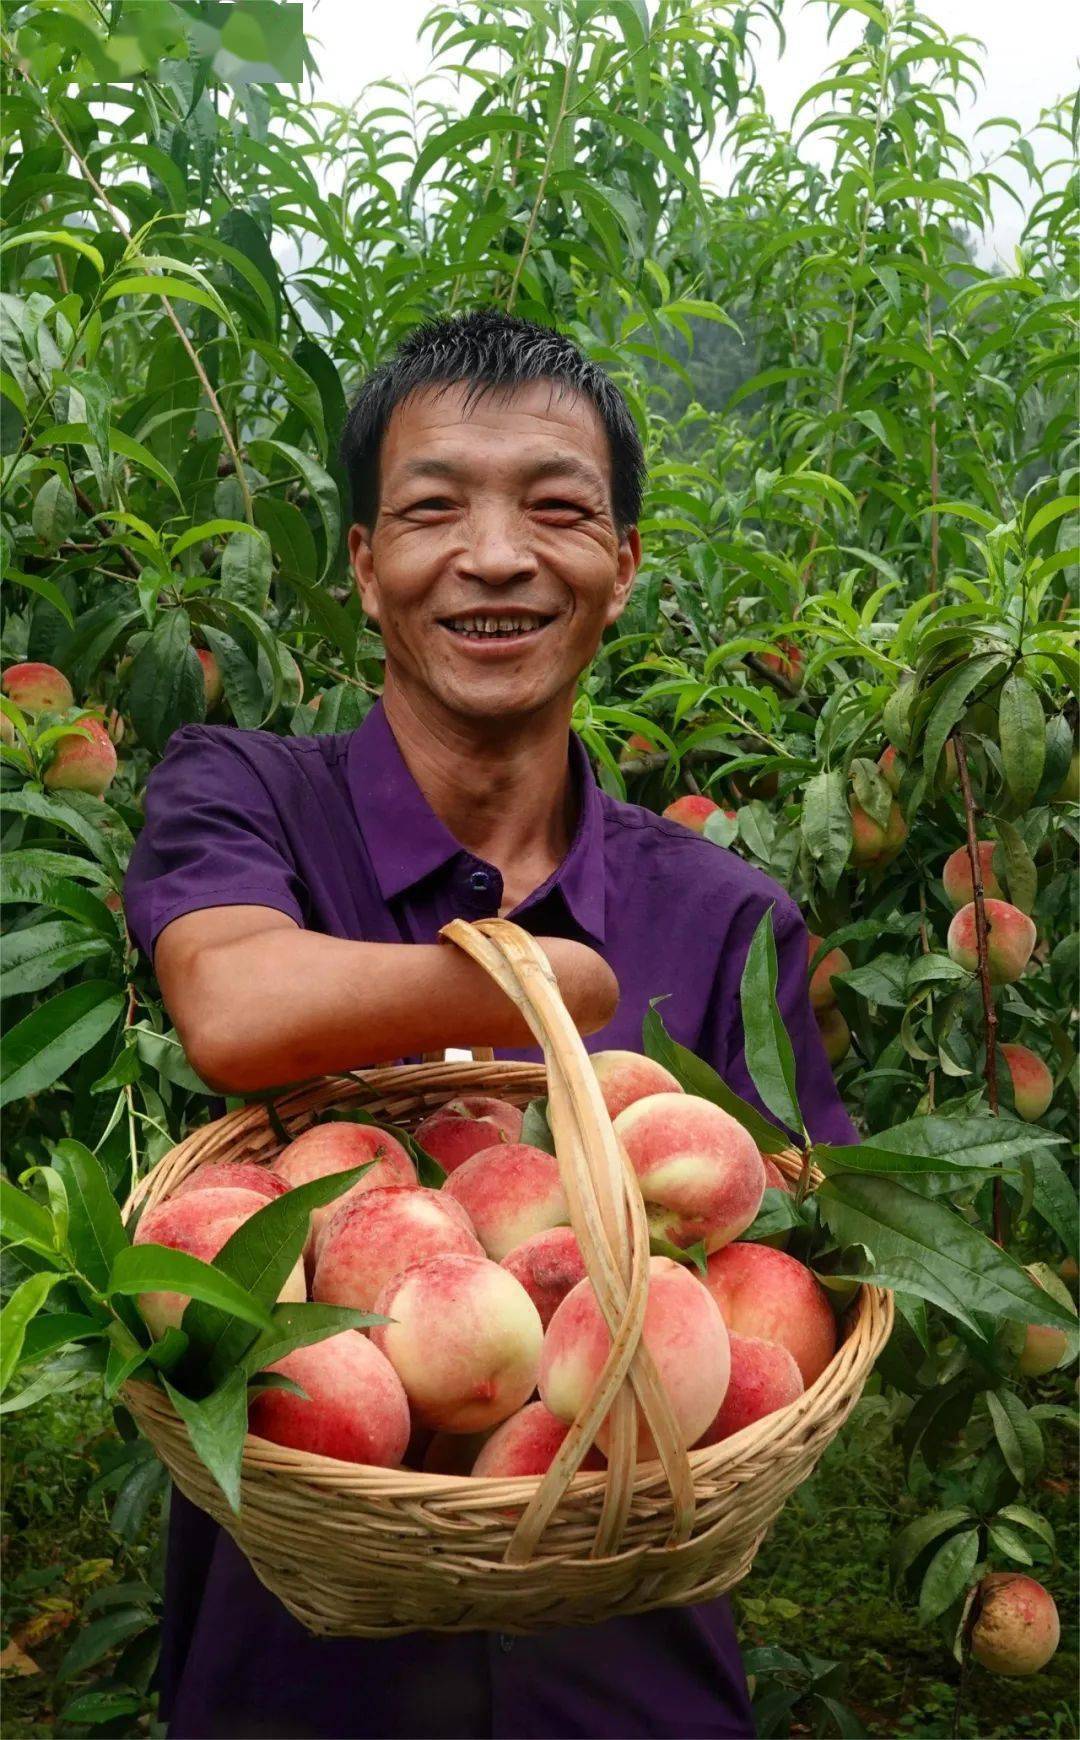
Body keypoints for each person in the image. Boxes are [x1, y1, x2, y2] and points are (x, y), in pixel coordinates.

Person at [124, 307, 857, 1740]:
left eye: (558, 510)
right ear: (363, 563)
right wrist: (539, 985)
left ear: (624, 566)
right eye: (434, 508)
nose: (498, 555)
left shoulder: (724, 916)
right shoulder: (244, 794)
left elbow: (792, 1276)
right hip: (292, 1688)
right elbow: (233, 1003)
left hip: (630, 1690)